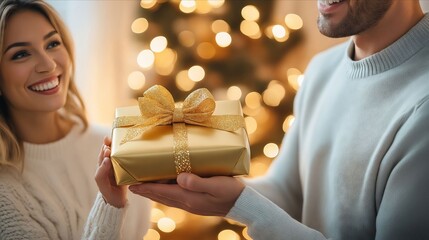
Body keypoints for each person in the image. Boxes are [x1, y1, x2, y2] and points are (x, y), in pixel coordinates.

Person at [125, 0, 429, 239]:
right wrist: (205, 180)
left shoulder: (422, 108)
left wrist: (243, 206)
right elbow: (286, 191)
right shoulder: (323, 69)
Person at [0, 0, 150, 239]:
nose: (48, 64)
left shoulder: (112, 142)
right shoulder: (5, 189)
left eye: (52, 43)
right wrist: (110, 206)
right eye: (21, 54)